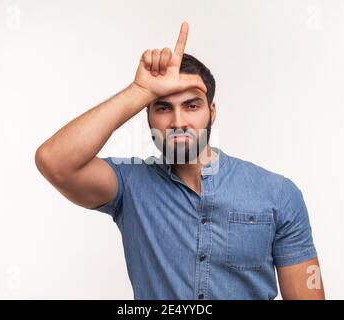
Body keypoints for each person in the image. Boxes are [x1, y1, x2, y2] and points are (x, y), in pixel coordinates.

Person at [35, 22, 325, 300]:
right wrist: (140, 91)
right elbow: (54, 161)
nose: (178, 122)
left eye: (192, 106)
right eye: (162, 108)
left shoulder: (278, 193)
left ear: (212, 112)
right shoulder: (129, 185)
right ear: (147, 116)